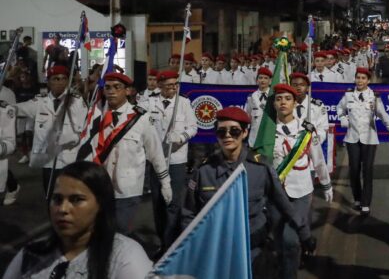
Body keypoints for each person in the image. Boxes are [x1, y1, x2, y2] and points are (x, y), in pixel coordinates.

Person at [182, 107, 315, 271]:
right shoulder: (203, 172)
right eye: (221, 132)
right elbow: (189, 213)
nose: (228, 136)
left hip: (253, 251)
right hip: (217, 251)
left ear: (245, 133)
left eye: (234, 131)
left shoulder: (260, 168)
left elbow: (283, 203)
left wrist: (304, 233)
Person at [3, 161, 152, 279]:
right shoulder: (32, 254)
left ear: (100, 204)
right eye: (57, 199)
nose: (63, 209)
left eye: (76, 199)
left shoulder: (125, 257)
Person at [85, 72, 172, 235]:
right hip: (101, 187)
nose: (111, 91)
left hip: (128, 189)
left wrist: (165, 182)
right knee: (101, 233)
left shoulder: (141, 118)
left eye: (117, 87)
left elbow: (155, 152)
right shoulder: (96, 118)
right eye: (108, 87)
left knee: (120, 233)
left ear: (128, 91)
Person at [270, 84, 333, 279]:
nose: (283, 103)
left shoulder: (306, 130)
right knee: (279, 241)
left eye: (287, 99)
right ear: (273, 103)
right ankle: (302, 245)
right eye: (279, 99)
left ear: (295, 103)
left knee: (290, 240)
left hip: (301, 191)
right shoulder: (266, 132)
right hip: (275, 193)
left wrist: (326, 184)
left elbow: (318, 159)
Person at [137, 70, 196, 248]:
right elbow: (139, 123)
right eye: (169, 85)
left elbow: (194, 127)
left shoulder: (184, 103)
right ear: (160, 85)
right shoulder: (149, 102)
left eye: (175, 85)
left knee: (174, 201)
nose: (173, 88)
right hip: (156, 159)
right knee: (158, 201)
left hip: (177, 159)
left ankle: (172, 241)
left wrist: (181, 136)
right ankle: (162, 239)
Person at [15, 65, 87, 196]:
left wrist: (63, 138)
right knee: (51, 198)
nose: (60, 82)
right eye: (55, 78)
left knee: (68, 199)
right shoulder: (41, 102)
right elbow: (18, 109)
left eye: (63, 78)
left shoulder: (76, 101)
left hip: (69, 161)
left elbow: (82, 131)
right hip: (48, 162)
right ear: (48, 82)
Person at [337, 67, 389, 215]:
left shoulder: (374, 97)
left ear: (368, 81)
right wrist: (343, 119)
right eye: (358, 78)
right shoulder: (348, 95)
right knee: (354, 169)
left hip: (369, 138)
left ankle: (365, 203)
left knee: (367, 170)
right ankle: (357, 198)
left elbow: (382, 114)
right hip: (352, 138)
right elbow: (339, 109)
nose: (360, 81)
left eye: (363, 78)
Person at [245, 67, 273, 147]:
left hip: (270, 136)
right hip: (255, 137)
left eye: (265, 78)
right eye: (260, 78)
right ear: (257, 80)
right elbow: (249, 116)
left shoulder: (274, 96)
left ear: (270, 81)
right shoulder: (251, 97)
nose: (263, 80)